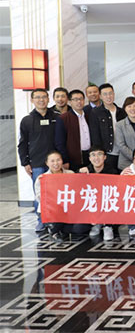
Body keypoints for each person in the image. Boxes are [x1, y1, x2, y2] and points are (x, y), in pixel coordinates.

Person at [19, 88, 58, 231]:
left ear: (48, 99)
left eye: (44, 97)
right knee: (40, 194)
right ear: (32, 100)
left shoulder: (56, 117)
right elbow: (22, 143)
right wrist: (25, 162)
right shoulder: (27, 120)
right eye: (38, 97)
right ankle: (41, 220)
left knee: (57, 192)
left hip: (56, 163)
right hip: (37, 163)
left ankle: (57, 219)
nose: (41, 100)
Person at [34, 151, 84, 242]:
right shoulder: (42, 178)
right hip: (51, 211)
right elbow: (39, 198)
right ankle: (55, 231)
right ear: (47, 163)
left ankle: (61, 230)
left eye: (58, 160)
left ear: (62, 161)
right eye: (52, 161)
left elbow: (77, 192)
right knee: (57, 218)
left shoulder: (70, 174)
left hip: (69, 210)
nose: (56, 163)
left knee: (80, 228)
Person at [80, 145, 119, 241]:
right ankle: (97, 223)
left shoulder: (113, 172)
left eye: (99, 154)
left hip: (107, 204)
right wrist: (79, 173)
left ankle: (107, 226)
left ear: (105, 157)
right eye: (93, 155)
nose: (96, 158)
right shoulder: (84, 171)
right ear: (89, 158)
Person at [89, 83, 126, 171]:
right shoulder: (95, 112)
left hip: (122, 153)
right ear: (100, 96)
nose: (108, 96)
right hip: (107, 154)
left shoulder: (122, 112)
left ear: (114, 94)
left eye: (110, 93)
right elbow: (95, 135)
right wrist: (100, 154)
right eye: (105, 94)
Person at [55, 89, 91, 172]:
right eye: (75, 99)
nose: (79, 102)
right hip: (73, 158)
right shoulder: (63, 118)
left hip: (90, 157)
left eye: (81, 99)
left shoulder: (89, 115)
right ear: (70, 101)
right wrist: (65, 159)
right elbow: (59, 142)